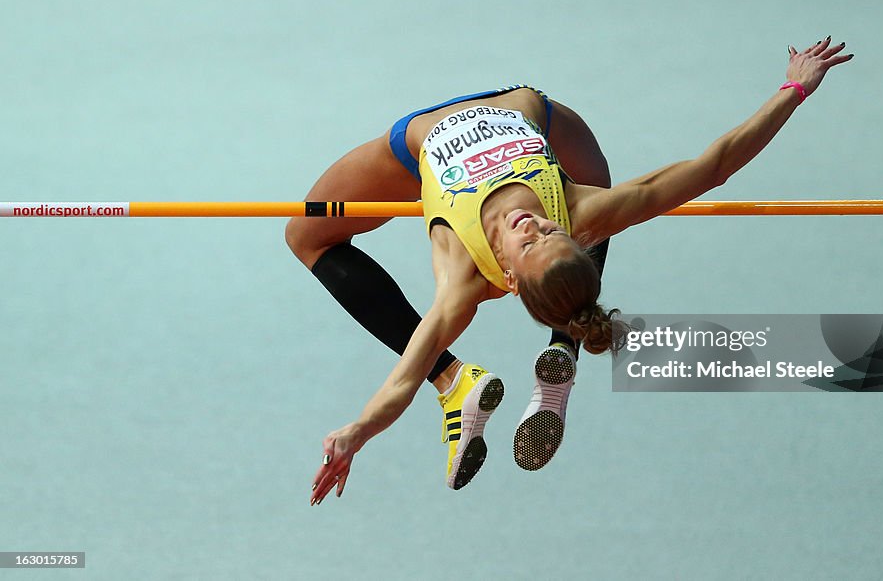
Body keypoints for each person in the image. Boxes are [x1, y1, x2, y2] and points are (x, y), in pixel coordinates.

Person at [292, 37, 853, 505]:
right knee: (607, 200)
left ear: (507, 277)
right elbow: (715, 166)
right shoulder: (580, 209)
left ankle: (480, 376)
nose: (531, 224)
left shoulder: (462, 278)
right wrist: (794, 89)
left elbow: (397, 385)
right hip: (531, 110)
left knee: (305, 237)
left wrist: (356, 432)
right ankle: (533, 363)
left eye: (532, 239)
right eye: (549, 231)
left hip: (416, 143)